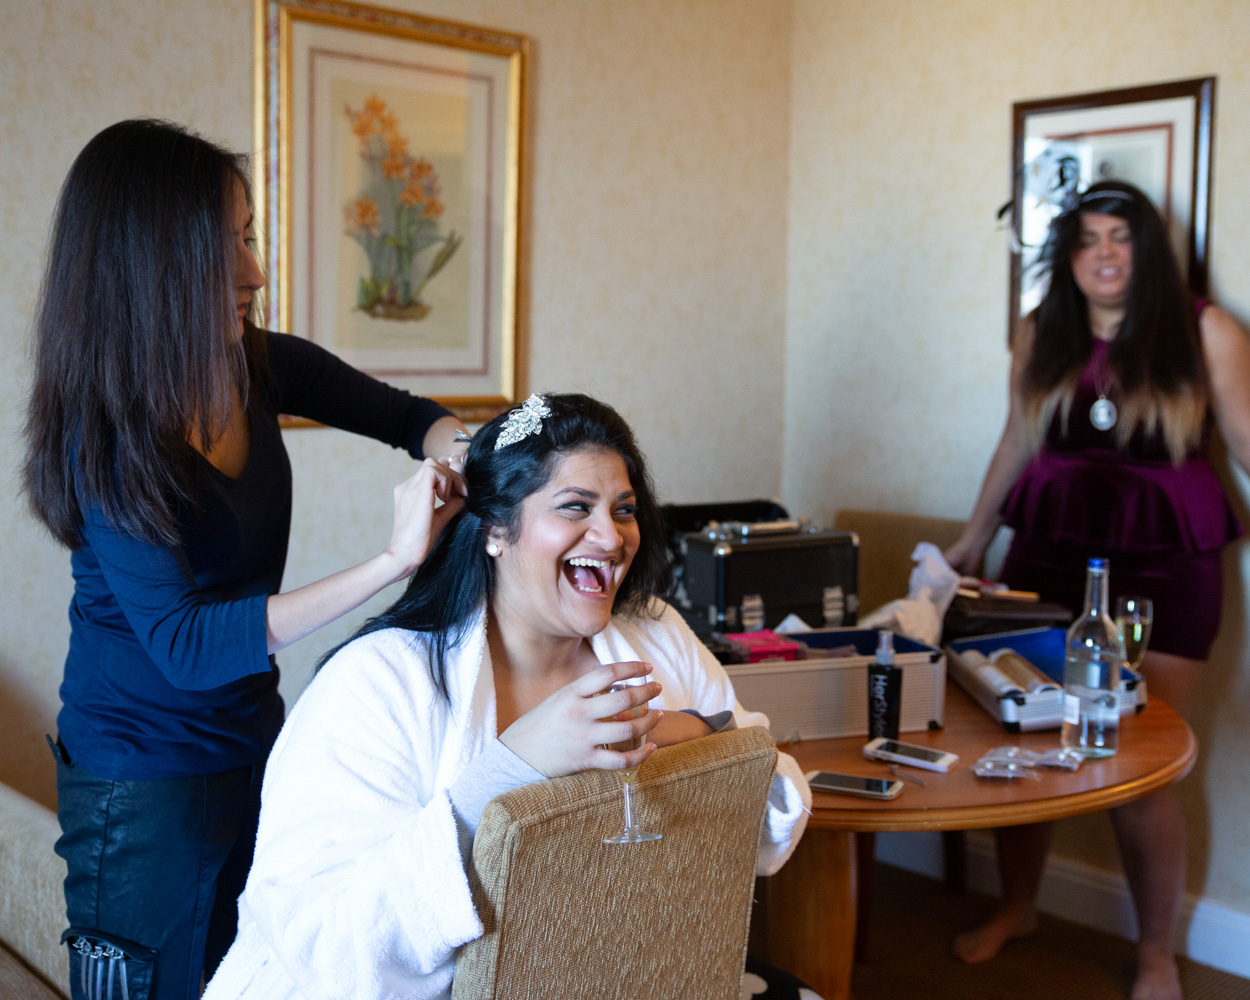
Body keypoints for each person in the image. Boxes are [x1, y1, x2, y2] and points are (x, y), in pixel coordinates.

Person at [22, 119, 471, 1000]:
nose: (255, 274)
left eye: (249, 237)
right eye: (225, 248)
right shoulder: (107, 438)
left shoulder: (253, 365)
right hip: (140, 782)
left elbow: (413, 417)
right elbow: (186, 644)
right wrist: (390, 562)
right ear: (153, 264)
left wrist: (472, 460)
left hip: (255, 745)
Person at [202, 392, 812, 1000]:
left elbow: (774, 802)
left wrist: (691, 736)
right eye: (576, 507)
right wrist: (508, 770)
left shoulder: (657, 636)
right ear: (496, 529)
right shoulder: (379, 681)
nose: (611, 536)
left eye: (623, 510)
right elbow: (324, 948)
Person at [945, 179, 1250, 1000]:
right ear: (1068, 257)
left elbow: (1249, 442)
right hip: (1046, 553)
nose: (1105, 254)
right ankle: (1020, 906)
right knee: (1029, 743)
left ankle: (1156, 954)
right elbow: (1017, 437)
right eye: (1088, 241)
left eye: (1121, 237)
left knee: (1143, 760)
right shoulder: (1042, 328)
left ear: (1146, 249)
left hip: (1166, 564)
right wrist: (974, 538)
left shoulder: (1204, 328)